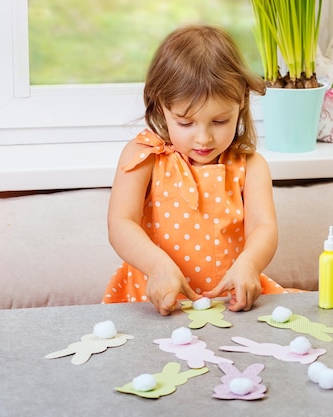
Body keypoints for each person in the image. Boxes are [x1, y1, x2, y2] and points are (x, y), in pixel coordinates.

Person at [103, 25, 292, 315]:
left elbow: (263, 228)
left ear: (240, 103)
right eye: (186, 123)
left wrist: (250, 264)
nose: (203, 138)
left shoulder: (251, 166)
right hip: (151, 302)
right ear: (161, 105)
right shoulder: (142, 156)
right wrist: (156, 265)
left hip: (231, 305)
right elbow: (121, 223)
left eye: (219, 122)